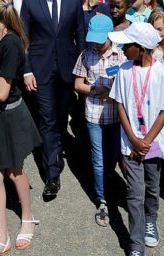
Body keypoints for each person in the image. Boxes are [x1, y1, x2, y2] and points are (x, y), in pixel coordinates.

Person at [0, 0, 43, 256]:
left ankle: (27, 218)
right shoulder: (0, 40)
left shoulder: (12, 43)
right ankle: (1, 238)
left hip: (9, 114)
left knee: (14, 171)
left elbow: (2, 92)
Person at [108, 22, 164, 256]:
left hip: (153, 144)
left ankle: (151, 219)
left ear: (141, 48)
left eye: (126, 44)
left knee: (152, 185)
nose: (121, 48)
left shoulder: (162, 75)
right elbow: (119, 104)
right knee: (134, 192)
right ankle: (136, 244)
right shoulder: (124, 70)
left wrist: (145, 141)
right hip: (130, 143)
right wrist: (132, 138)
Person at [21, 0, 86, 199]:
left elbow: (80, 35)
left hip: (68, 70)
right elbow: (23, 39)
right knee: (47, 120)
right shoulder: (30, 2)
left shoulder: (73, 0)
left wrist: (82, 71)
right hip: (41, 70)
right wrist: (26, 70)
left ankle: (57, 150)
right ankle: (52, 174)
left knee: (60, 120)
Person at [72, 15, 125, 227]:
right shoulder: (86, 55)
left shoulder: (120, 56)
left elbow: (126, 84)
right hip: (93, 114)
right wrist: (95, 89)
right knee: (98, 159)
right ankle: (102, 199)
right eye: (93, 39)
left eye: (100, 39)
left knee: (114, 154)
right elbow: (77, 84)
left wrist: (112, 92)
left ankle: (109, 178)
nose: (96, 43)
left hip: (116, 116)